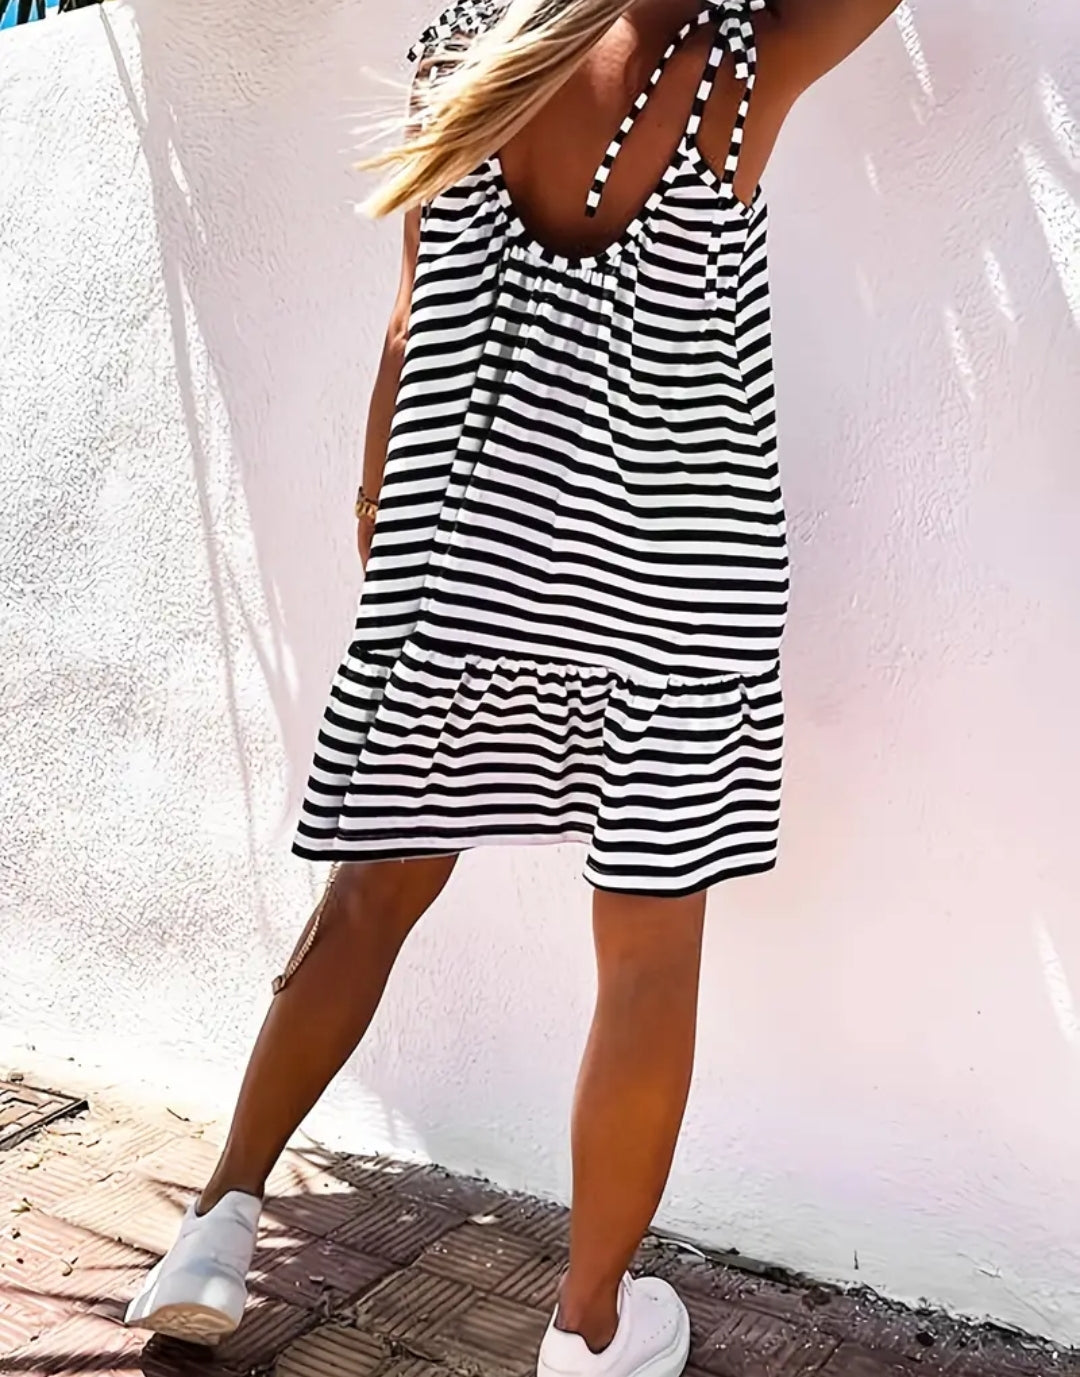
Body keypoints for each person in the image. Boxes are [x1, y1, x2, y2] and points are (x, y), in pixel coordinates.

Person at [125, 1, 901, 1373]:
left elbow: (407, 325)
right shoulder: (734, 65)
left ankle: (218, 1227)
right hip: (672, 582)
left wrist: (383, 515)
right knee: (648, 957)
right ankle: (590, 1328)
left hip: (461, 549)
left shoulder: (462, 48)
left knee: (369, 899)